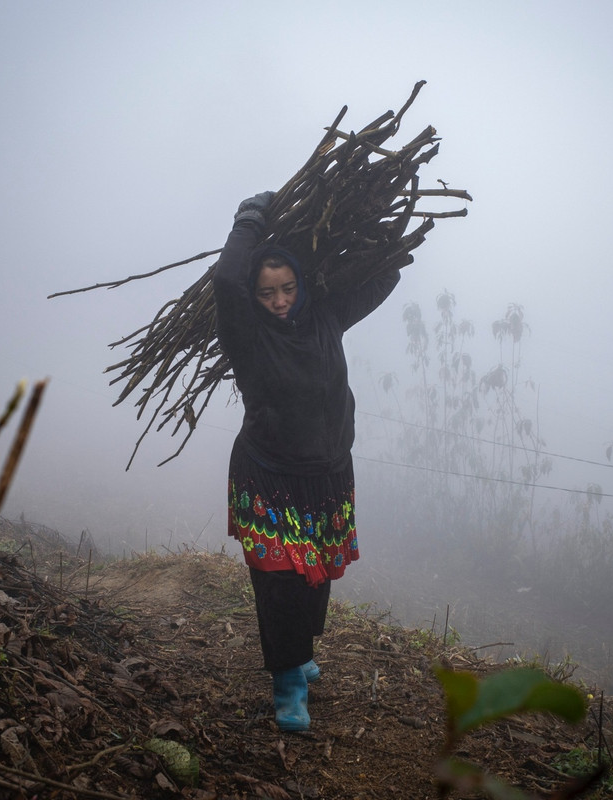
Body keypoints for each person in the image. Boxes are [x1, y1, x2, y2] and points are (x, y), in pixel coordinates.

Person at [212, 191, 401, 731]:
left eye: (288, 288)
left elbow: (384, 276)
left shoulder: (326, 317)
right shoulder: (246, 335)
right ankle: (288, 681)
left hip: (328, 474)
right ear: (254, 296)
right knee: (280, 582)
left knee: (315, 575)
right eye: (267, 292)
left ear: (302, 284)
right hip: (269, 474)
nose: (279, 301)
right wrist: (250, 219)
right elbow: (225, 280)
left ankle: (301, 652)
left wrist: (374, 225)